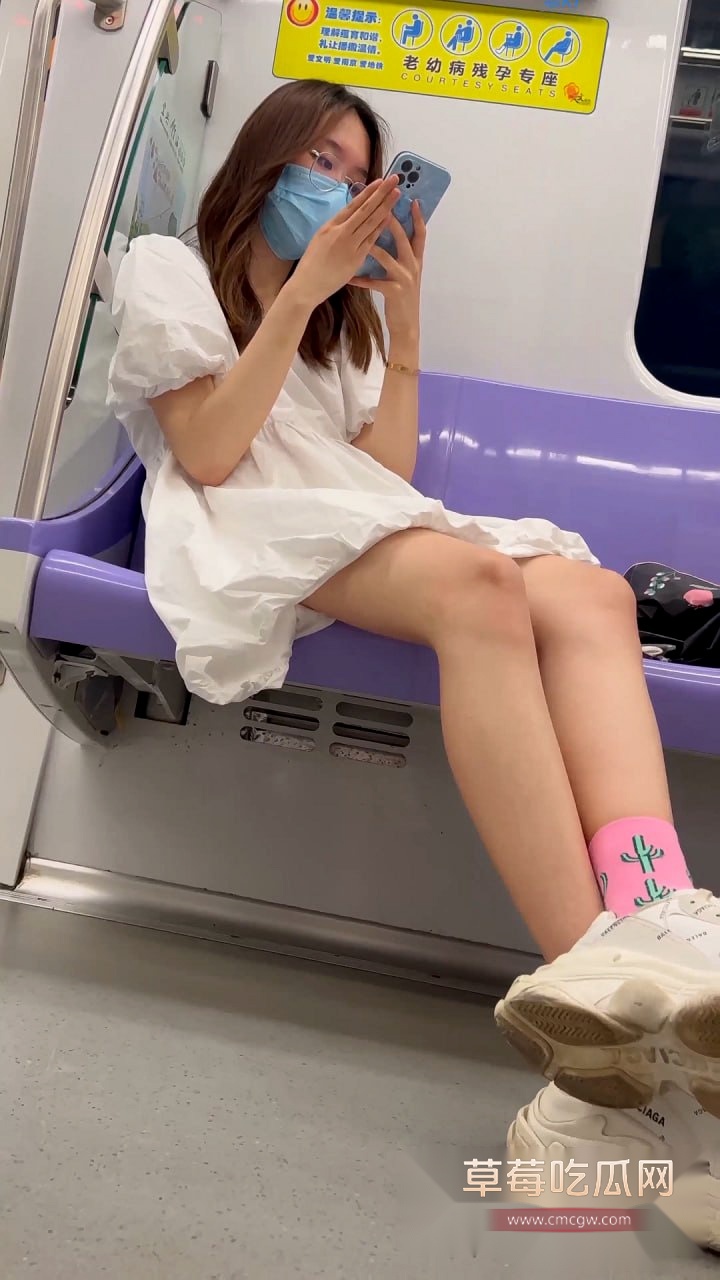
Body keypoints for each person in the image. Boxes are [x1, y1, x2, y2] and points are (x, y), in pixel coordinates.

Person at [107, 79, 720, 1235]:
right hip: (240, 520)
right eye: (321, 162)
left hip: (345, 515)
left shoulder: (342, 322)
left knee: (591, 593)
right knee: (480, 587)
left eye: (361, 173)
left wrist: (402, 307)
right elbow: (215, 454)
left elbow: (381, 477)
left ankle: (653, 910)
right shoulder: (168, 270)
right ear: (264, 159)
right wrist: (302, 291)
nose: (342, 186)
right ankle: (595, 973)